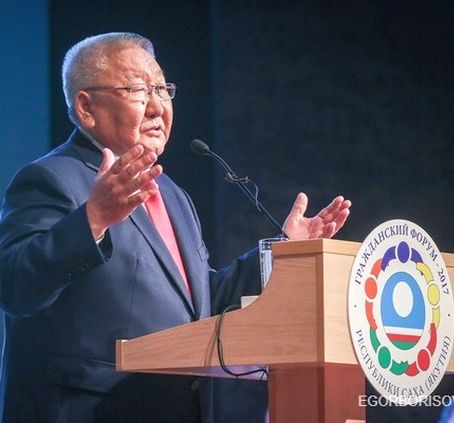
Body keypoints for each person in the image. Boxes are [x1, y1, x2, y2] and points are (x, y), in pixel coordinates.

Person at [0, 32, 351, 422]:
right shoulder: (52, 178)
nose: (157, 106)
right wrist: (94, 218)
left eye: (162, 89)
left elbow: (201, 305)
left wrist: (282, 254)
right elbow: (14, 286)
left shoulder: (173, 194)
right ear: (86, 107)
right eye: (137, 90)